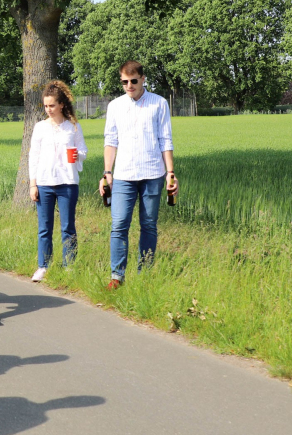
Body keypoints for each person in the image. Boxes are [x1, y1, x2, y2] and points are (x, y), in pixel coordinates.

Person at [98, 60, 179, 290]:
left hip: (152, 173)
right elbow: (110, 141)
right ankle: (117, 276)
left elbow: (165, 139)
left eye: (133, 81)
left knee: (149, 225)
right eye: (124, 82)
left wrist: (170, 173)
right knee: (119, 225)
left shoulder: (159, 103)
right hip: (123, 175)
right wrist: (107, 172)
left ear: (143, 79)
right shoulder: (115, 106)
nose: (129, 85)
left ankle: (145, 275)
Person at [28, 80, 87, 282]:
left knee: (68, 227)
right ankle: (43, 266)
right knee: (44, 228)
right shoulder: (40, 127)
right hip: (44, 183)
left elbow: (83, 151)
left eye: (52, 105)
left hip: (67, 183)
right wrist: (33, 184)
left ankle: (69, 266)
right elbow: (33, 156)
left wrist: (77, 155)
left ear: (61, 104)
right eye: (46, 106)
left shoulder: (73, 127)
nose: (48, 109)